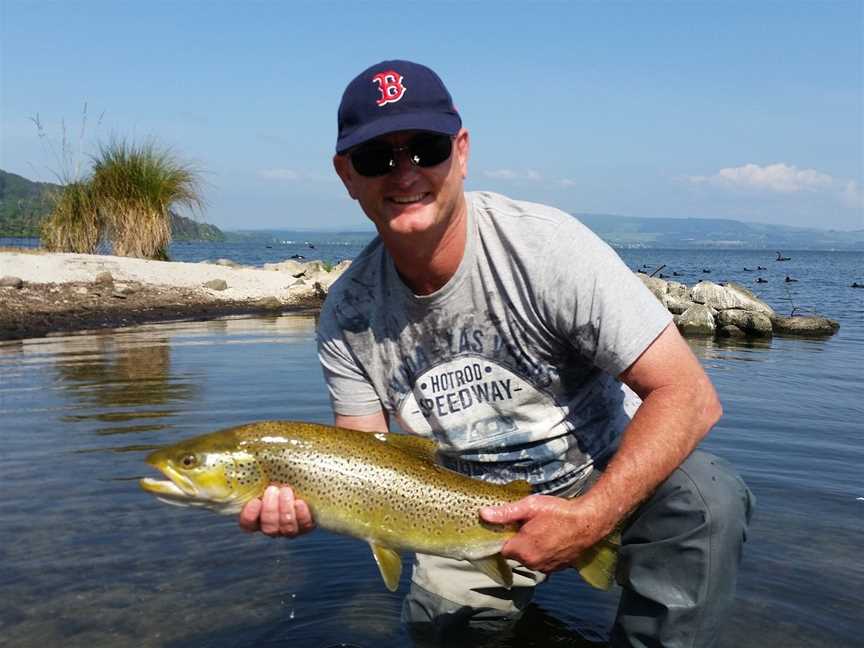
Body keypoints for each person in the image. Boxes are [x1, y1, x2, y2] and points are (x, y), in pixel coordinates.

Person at [239, 60, 754, 647]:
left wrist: (591, 519)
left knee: (706, 499)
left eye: (426, 148)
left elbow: (690, 396)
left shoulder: (547, 249)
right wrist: (310, 502)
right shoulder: (347, 314)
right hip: (463, 509)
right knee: (441, 633)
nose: (404, 173)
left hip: (601, 474)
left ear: (461, 151)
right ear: (345, 175)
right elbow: (367, 459)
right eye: (376, 158)